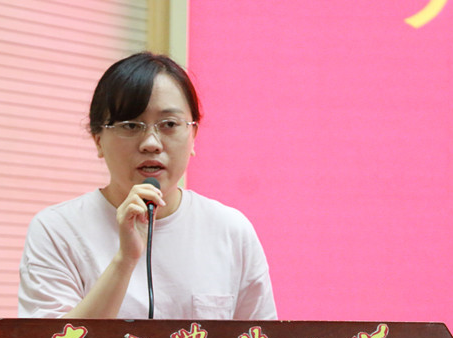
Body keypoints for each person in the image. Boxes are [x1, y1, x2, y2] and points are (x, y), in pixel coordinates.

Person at [18, 52, 276, 320]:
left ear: (193, 135)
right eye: (131, 125)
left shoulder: (231, 231)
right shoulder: (57, 230)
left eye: (169, 124)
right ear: (98, 140)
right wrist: (124, 260)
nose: (151, 143)